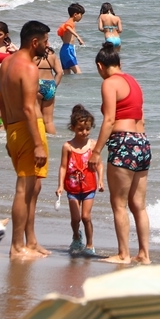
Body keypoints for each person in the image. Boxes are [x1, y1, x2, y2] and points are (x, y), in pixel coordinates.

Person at [90, 42, 151, 265]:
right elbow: (141, 117)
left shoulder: (109, 83)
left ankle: (123, 254)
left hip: (123, 141)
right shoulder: (133, 81)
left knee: (119, 204)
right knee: (139, 205)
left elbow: (109, 120)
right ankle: (144, 254)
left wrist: (96, 151)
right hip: (142, 142)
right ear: (119, 63)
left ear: (100, 66)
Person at [0, 20, 52, 258]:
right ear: (34, 42)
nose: (47, 45)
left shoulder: (6, 64)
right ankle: (16, 246)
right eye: (45, 41)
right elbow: (30, 108)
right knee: (23, 189)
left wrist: (9, 136)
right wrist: (39, 144)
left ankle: (31, 241)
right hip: (30, 132)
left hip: (14, 131)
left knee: (34, 187)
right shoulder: (29, 68)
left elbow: (3, 103)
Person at [56, 104, 103, 257]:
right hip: (72, 188)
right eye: (80, 129)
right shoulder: (68, 146)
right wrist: (60, 185)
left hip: (89, 187)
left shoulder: (93, 145)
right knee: (75, 219)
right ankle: (76, 237)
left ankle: (90, 244)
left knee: (86, 217)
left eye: (88, 129)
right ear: (73, 128)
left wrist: (101, 180)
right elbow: (63, 167)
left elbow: (99, 164)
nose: (84, 132)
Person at [37, 46, 63, 135]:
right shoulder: (52, 55)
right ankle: (53, 140)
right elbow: (60, 72)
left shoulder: (34, 54)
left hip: (37, 85)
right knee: (48, 121)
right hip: (50, 85)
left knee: (37, 118)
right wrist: (54, 87)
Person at [57, 3, 85, 75]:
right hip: (68, 50)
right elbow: (67, 27)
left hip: (64, 49)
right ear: (75, 14)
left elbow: (59, 33)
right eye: (81, 14)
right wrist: (78, 37)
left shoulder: (66, 23)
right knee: (79, 73)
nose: (81, 17)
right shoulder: (70, 22)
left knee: (67, 75)